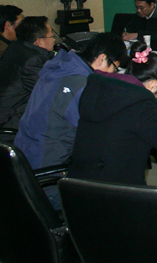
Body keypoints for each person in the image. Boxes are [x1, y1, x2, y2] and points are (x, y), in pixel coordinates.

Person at [15, 32, 128, 172]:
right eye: (115, 68)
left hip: (24, 153)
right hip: (48, 166)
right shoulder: (81, 86)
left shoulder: (60, 67)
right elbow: (94, 134)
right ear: (102, 58)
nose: (113, 74)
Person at [68, 42, 157, 186]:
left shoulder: (99, 88)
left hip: (77, 186)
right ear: (153, 85)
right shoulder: (141, 104)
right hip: (116, 192)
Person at [0, 16, 56, 129]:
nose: (54, 40)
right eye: (52, 36)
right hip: (5, 120)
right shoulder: (32, 61)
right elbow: (51, 92)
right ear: (39, 41)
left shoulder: (17, 48)